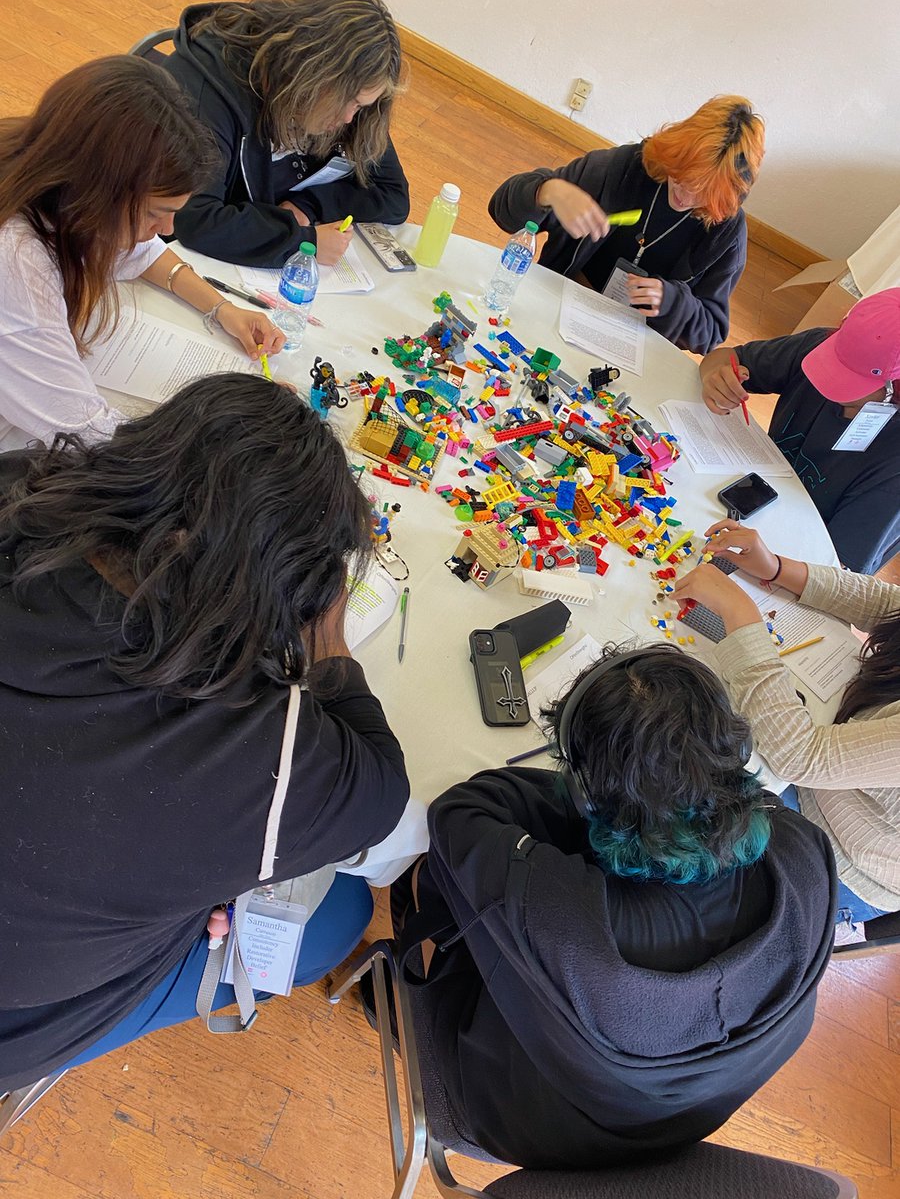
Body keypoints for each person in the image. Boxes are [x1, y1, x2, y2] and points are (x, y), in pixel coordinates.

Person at [0, 374, 410, 1093]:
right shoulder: (268, 750)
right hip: (20, 1017)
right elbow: (379, 791)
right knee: (337, 917)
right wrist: (331, 644)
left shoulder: (20, 492)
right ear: (285, 593)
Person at [395, 646, 835, 1169]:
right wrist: (656, 794)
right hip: (673, 1121)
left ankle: (405, 1018)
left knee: (427, 876)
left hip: (511, 1116)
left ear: (584, 798)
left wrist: (599, 796)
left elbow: (459, 813)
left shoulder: (565, 912)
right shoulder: (806, 852)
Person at [0, 56, 285, 455]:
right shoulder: (16, 264)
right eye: (156, 213)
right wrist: (225, 427)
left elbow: (146, 252)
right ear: (95, 190)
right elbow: (84, 432)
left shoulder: (40, 167)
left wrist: (222, 310)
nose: (168, 231)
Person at [673, 521, 900, 923]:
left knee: (683, 788)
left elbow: (800, 757)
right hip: (829, 768)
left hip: (839, 858)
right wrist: (777, 568)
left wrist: (739, 612)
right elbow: (888, 607)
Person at [489, 96, 764, 354]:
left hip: (633, 346)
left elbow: (711, 332)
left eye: (702, 193)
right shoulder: (623, 168)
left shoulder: (726, 234)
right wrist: (547, 191)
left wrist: (673, 302)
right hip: (560, 302)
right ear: (675, 153)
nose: (684, 196)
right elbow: (501, 209)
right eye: (681, 177)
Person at [160, 0, 410, 267]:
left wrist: (310, 204)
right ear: (311, 74)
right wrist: (304, 243)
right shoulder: (210, 92)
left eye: (361, 106)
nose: (349, 117)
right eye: (348, 101)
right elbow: (192, 219)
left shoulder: (349, 105)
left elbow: (394, 195)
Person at [699, 289, 900, 574]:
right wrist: (716, 377)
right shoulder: (819, 344)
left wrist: (774, 567)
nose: (827, 388)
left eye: (851, 385)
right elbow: (724, 358)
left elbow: (838, 574)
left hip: (800, 560)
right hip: (748, 502)